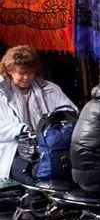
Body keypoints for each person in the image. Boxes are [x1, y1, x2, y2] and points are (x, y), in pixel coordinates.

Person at [0, 45, 76, 183]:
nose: (26, 77)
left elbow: (70, 112)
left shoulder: (49, 89)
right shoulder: (2, 92)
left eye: (30, 72)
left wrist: (53, 125)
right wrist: (21, 130)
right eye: (21, 73)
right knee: (36, 176)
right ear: (10, 71)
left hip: (47, 147)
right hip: (11, 149)